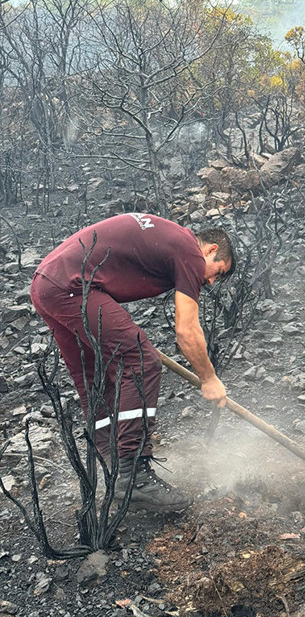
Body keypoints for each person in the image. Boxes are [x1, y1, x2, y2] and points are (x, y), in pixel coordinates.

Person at [30, 213, 234, 513]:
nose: (212, 280)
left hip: (46, 284)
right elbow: (187, 331)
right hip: (71, 287)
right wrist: (209, 378)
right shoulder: (189, 250)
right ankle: (134, 476)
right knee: (142, 361)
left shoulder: (169, 237)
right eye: (219, 271)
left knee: (95, 375)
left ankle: (112, 471)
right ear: (211, 249)